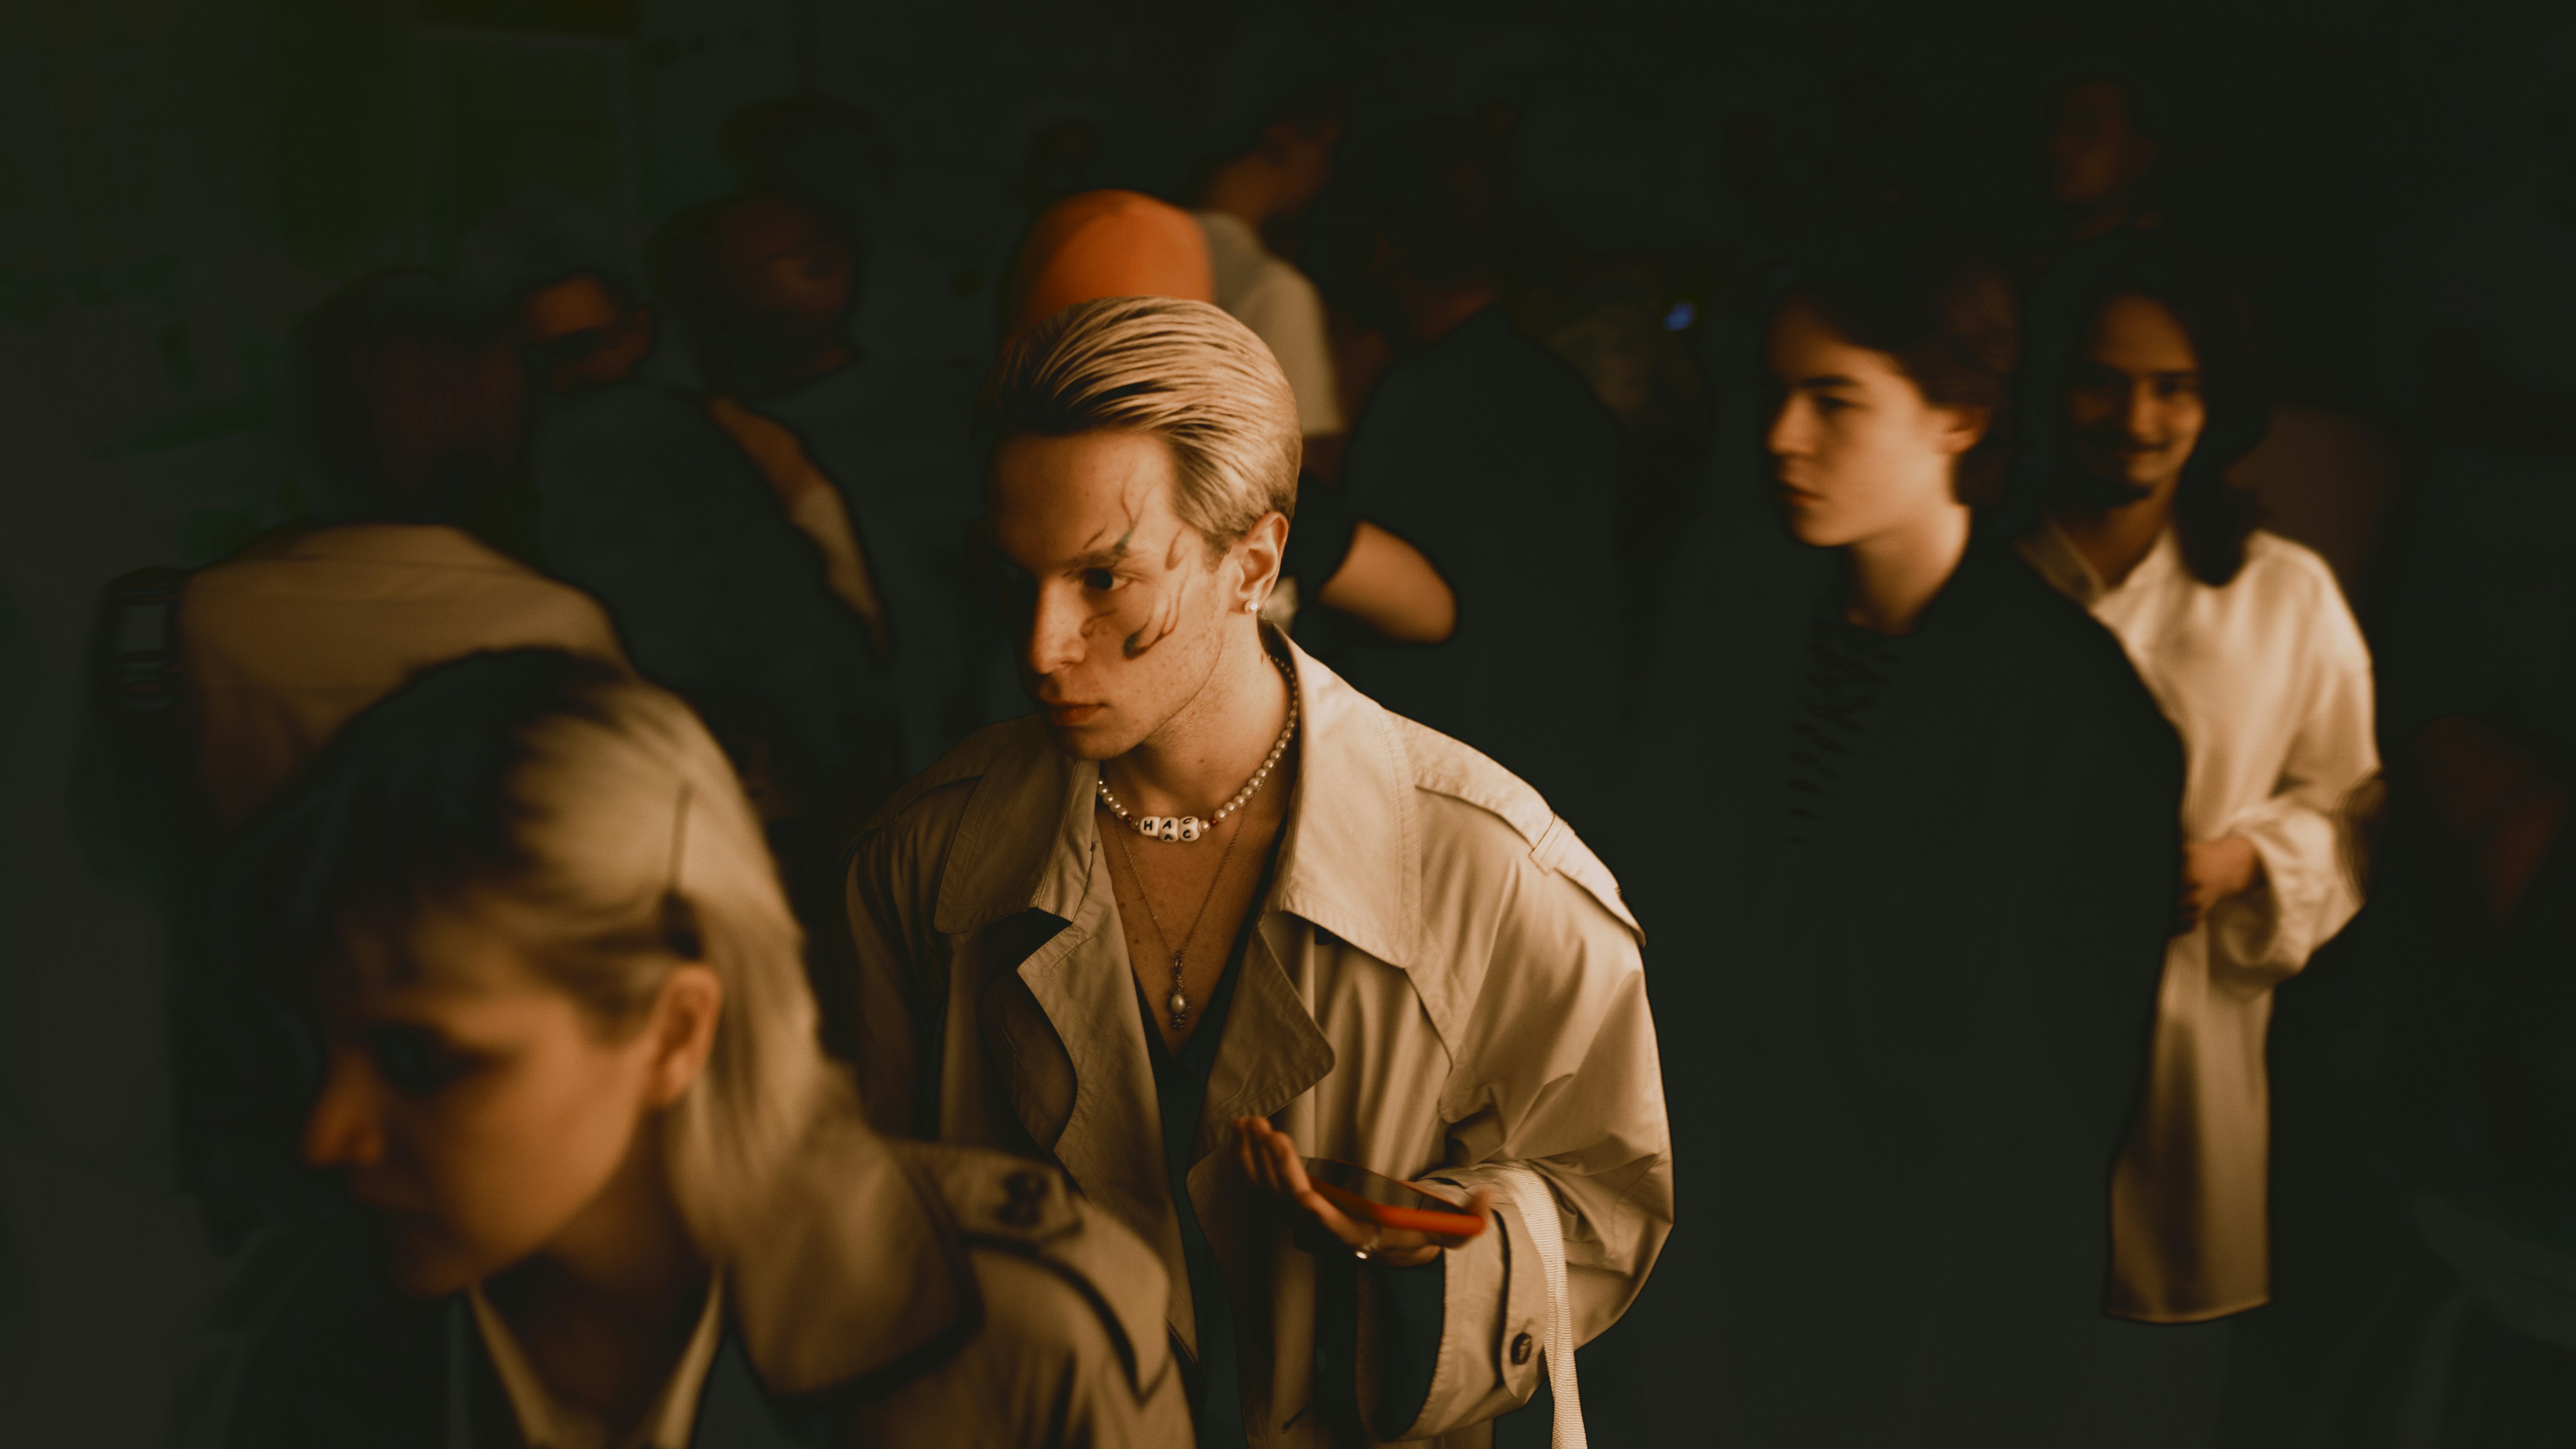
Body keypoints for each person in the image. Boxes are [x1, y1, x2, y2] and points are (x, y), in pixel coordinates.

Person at [843, 296, 1669, 1448]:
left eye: (1103, 580)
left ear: (1254, 562)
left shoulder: (1494, 867)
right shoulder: (924, 865)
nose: (1039, 645)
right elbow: (879, 1236)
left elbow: (1608, 1202)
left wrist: (1412, 1242)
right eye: (1018, 578)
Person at [173, 648, 1189, 1447]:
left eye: (419, 1062)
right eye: (322, 1047)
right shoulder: (295, 1344)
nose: (328, 1134)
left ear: (675, 1029)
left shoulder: (1023, 1335)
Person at [1602, 220, 2190, 1446]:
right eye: (1777, 394)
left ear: (1958, 417)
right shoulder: (1749, 640)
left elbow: (2048, 1105)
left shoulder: (2081, 718)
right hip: (1694, 1258)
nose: (1784, 437)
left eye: (1835, 400)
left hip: (1903, 1316)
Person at [2014, 242, 2380, 1328]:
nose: (2135, 419)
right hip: (1996, 1030)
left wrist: (2242, 861)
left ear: (2214, 405)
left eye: (2172, 388)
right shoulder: (1992, 582)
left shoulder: (2282, 594)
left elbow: (2353, 808)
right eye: (2103, 380)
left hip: (2189, 1057)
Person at [1300, 118, 1625, 835]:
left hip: (1441, 803)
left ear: (1381, 249)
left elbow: (1398, 623)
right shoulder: (1568, 400)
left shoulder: (1419, 403)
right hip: (1563, 794)